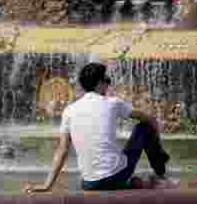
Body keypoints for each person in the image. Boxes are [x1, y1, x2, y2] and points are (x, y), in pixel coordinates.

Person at [24, 63, 170, 193]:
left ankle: (133, 183)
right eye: (107, 80)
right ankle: (161, 174)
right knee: (144, 126)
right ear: (99, 83)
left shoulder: (69, 110)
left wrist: (47, 185)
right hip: (115, 176)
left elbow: (62, 151)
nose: (108, 85)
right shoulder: (113, 103)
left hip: (89, 183)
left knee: (116, 163)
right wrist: (159, 150)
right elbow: (150, 119)